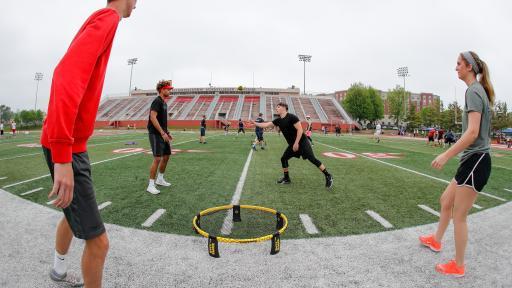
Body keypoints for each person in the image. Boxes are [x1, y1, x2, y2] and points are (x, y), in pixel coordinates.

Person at [39, 1, 136, 287]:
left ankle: (58, 271)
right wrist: (62, 157)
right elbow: (64, 75)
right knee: (99, 243)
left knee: (72, 214)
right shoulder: (107, 18)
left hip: (72, 144)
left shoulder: (106, 19)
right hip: (68, 146)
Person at [419, 51, 494, 277]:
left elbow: (472, 133)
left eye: (459, 64)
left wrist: (445, 155)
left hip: (477, 161)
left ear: (469, 67)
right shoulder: (475, 90)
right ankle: (436, 240)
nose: (456, 68)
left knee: (459, 216)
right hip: (472, 161)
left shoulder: (473, 91)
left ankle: (459, 266)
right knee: (446, 201)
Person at [251, 102, 333, 188]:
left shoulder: (292, 117)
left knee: (312, 159)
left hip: (302, 142)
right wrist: (255, 123)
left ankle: (328, 176)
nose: (276, 109)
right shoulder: (278, 120)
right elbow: (266, 125)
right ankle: (286, 178)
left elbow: (300, 130)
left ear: (284, 107)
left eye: (278, 107)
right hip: (292, 144)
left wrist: (296, 143)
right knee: (283, 159)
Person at [147, 80, 174, 195]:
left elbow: (162, 121)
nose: (169, 91)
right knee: (157, 158)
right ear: (162, 90)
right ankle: (151, 185)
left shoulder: (164, 103)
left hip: (163, 133)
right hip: (155, 133)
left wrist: (167, 132)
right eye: (168, 89)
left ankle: (160, 179)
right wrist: (162, 133)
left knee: (166, 156)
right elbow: (153, 117)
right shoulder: (157, 101)